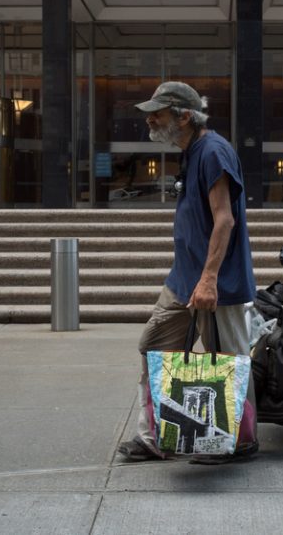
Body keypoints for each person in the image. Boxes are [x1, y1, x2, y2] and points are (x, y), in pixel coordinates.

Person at [116, 81, 259, 464]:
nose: (150, 119)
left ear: (184, 116)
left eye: (158, 113)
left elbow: (224, 220)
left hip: (218, 283)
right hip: (183, 280)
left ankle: (240, 441)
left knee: (228, 358)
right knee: (154, 348)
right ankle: (155, 438)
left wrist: (209, 279)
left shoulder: (213, 152)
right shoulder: (191, 151)